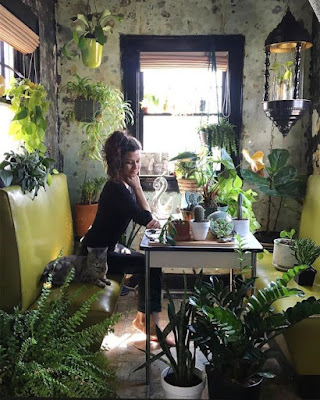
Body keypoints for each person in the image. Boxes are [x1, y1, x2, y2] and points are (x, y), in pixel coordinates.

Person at [79, 130, 168, 343]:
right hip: (96, 255)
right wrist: (138, 187)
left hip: (106, 247)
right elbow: (147, 219)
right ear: (118, 163)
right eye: (130, 163)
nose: (136, 168)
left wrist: (135, 187)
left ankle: (143, 318)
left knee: (148, 264)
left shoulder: (121, 187)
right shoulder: (117, 189)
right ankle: (150, 324)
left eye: (138, 162)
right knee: (150, 264)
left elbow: (145, 216)